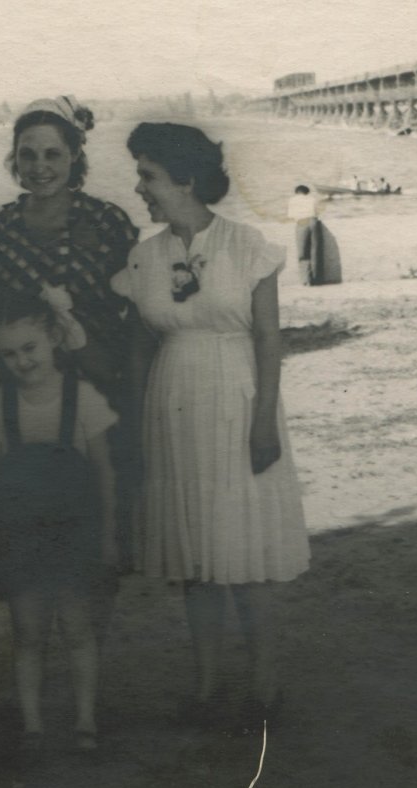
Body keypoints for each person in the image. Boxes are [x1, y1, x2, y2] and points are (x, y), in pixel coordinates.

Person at [115, 123, 311, 733]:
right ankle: (204, 686)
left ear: (186, 179)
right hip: (172, 406)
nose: (139, 188)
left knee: (245, 552)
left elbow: (269, 341)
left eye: (148, 175)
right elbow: (139, 347)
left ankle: (264, 685)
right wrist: (136, 425)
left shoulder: (247, 246)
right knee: (194, 555)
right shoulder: (144, 256)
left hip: (237, 400)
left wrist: (264, 422)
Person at [0, 95, 143, 578]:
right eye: (27, 154)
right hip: (28, 399)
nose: (39, 166)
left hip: (100, 393)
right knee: (33, 538)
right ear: (14, 159)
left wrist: (134, 395)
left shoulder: (108, 221)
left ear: (75, 156)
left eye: (52, 154)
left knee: (100, 539)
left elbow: (137, 314)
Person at [0, 294, 119, 754]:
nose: (22, 361)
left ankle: (85, 719)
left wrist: (108, 536)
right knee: (28, 633)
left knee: (78, 629)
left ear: (54, 338)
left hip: (74, 532)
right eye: (9, 353)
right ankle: (33, 724)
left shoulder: (83, 397)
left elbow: (104, 472)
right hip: (20, 535)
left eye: (29, 348)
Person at [286, 184, 323, 286]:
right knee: (314, 250)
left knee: (302, 252)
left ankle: (306, 280)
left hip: (302, 222)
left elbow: (291, 215)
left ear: (297, 192)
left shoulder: (292, 200)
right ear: (307, 192)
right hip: (314, 222)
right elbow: (317, 213)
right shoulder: (312, 199)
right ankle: (315, 278)